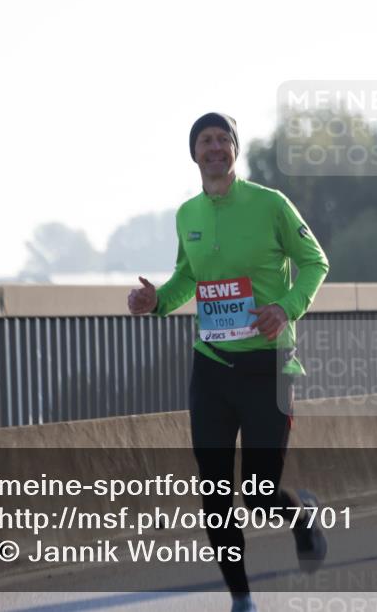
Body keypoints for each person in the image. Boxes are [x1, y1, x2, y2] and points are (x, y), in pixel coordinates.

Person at [128, 112, 330, 612]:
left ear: (235, 150)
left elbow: (315, 262)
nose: (215, 147)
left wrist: (285, 308)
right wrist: (156, 302)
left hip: (268, 365)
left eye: (223, 139)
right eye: (205, 140)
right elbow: (186, 280)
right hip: (212, 367)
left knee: (259, 495)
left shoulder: (271, 204)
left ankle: (300, 517)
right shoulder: (187, 214)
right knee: (215, 491)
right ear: (194, 153)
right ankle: (241, 598)